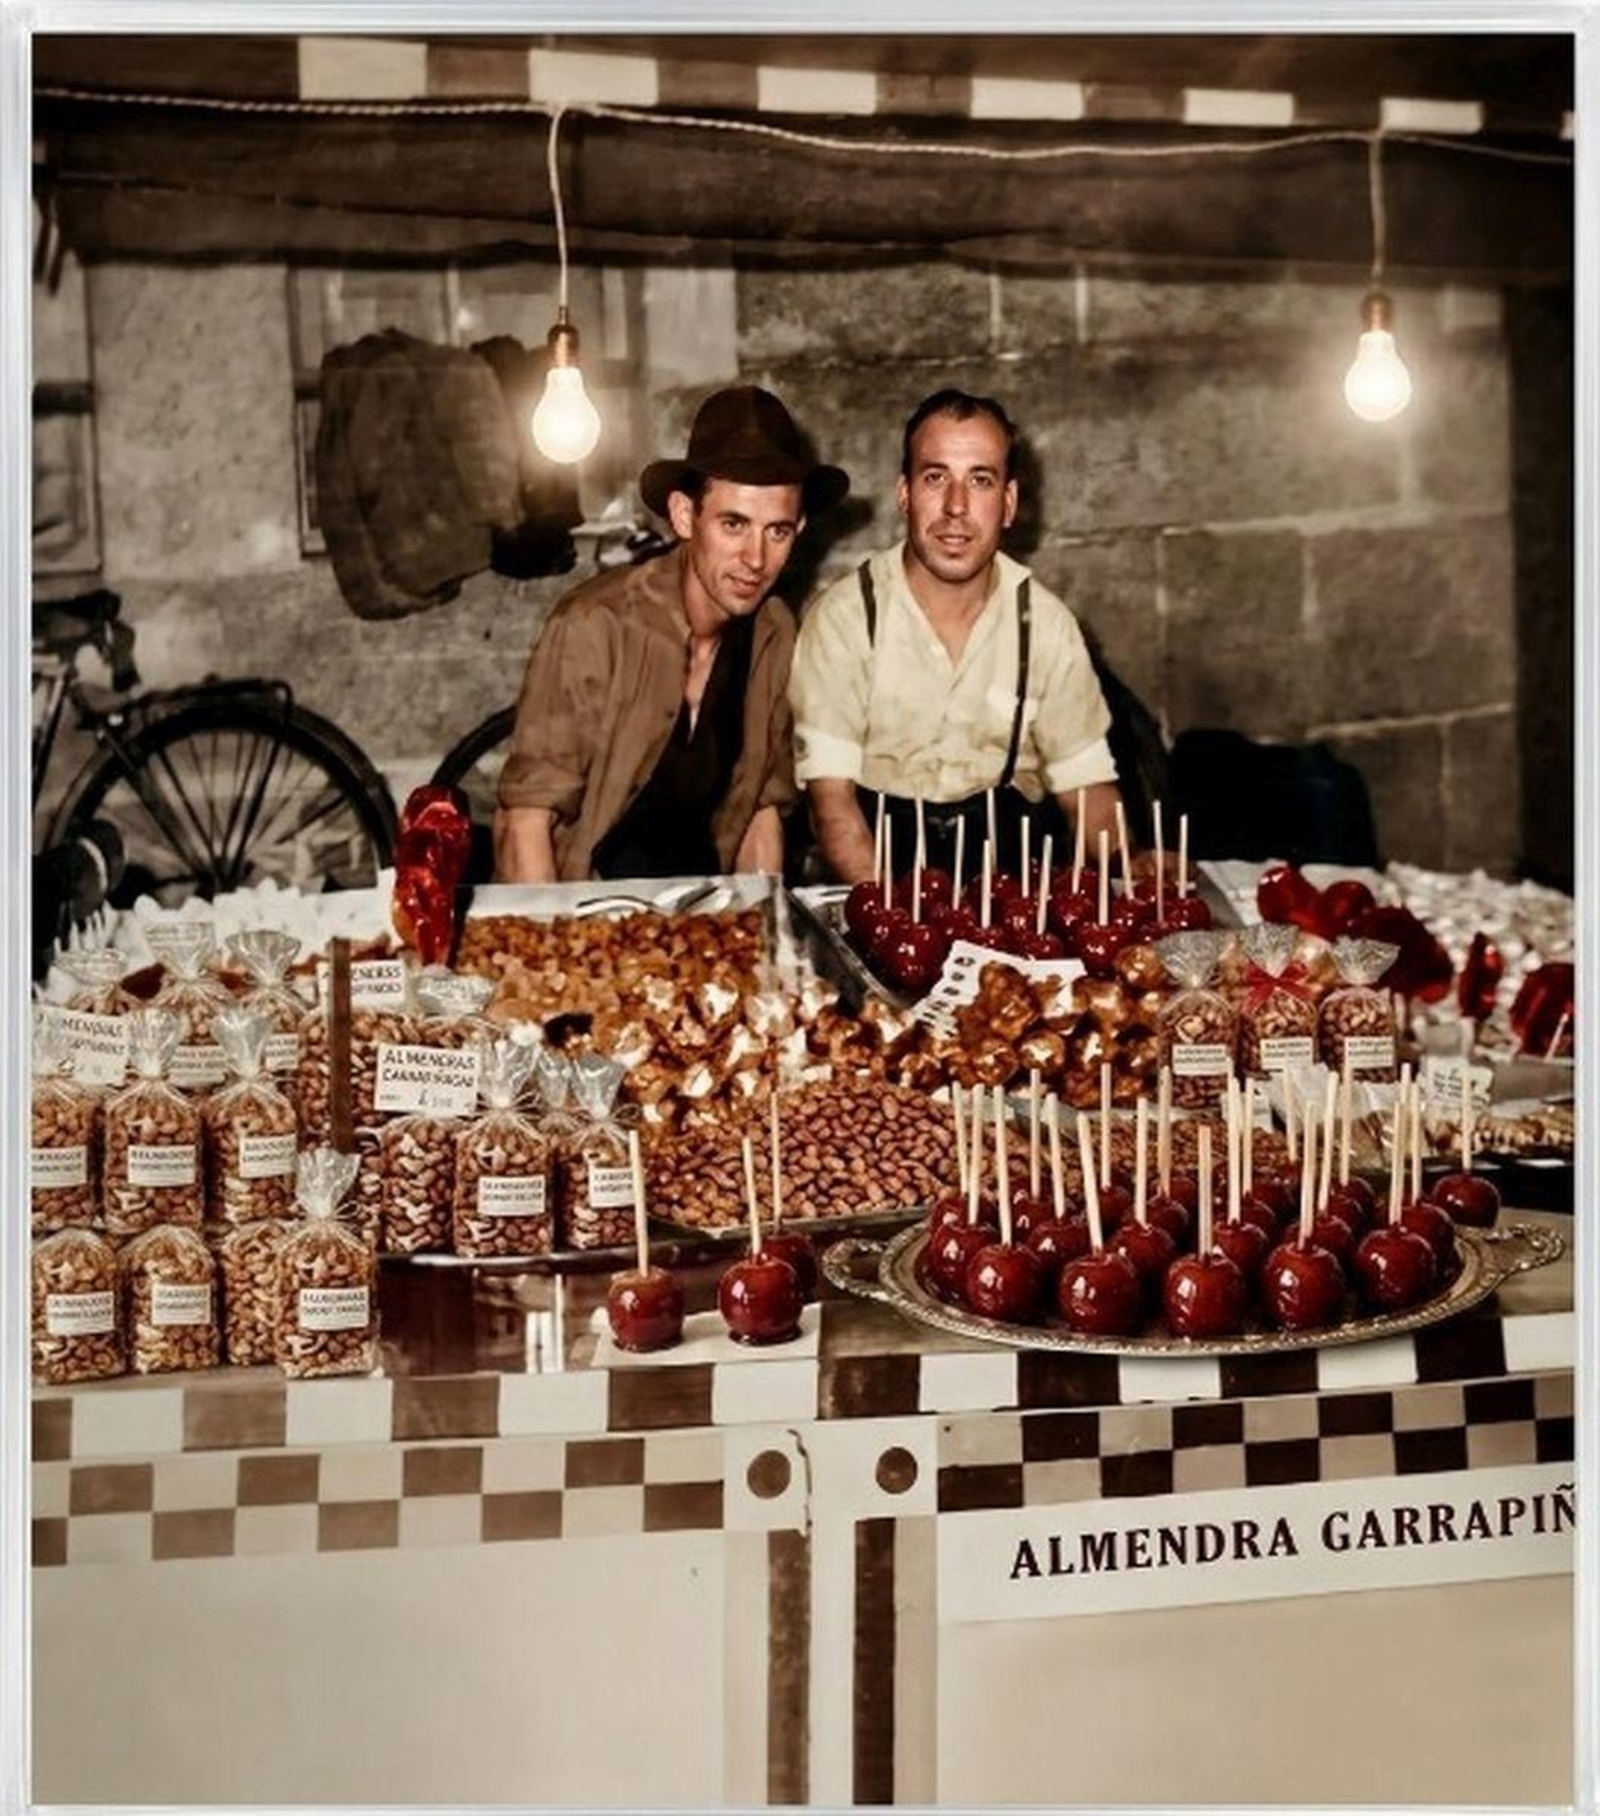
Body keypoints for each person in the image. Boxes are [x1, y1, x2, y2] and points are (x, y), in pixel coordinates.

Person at [494, 386, 848, 882]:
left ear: (800, 528)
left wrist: (767, 937)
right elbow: (525, 821)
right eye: (733, 524)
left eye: (778, 531)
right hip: (584, 917)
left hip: (699, 925)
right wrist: (556, 952)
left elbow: (760, 812)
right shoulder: (594, 625)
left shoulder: (775, 631)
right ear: (685, 516)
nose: (755, 558)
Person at [789, 388, 1123, 885]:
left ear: (1008, 503)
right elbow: (832, 807)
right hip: (875, 878)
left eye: (981, 480)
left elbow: (1088, 790)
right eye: (935, 477)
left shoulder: (1046, 624)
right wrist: (895, 924)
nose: (956, 507)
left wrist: (1128, 864)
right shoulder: (845, 619)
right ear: (905, 494)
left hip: (1006, 887)